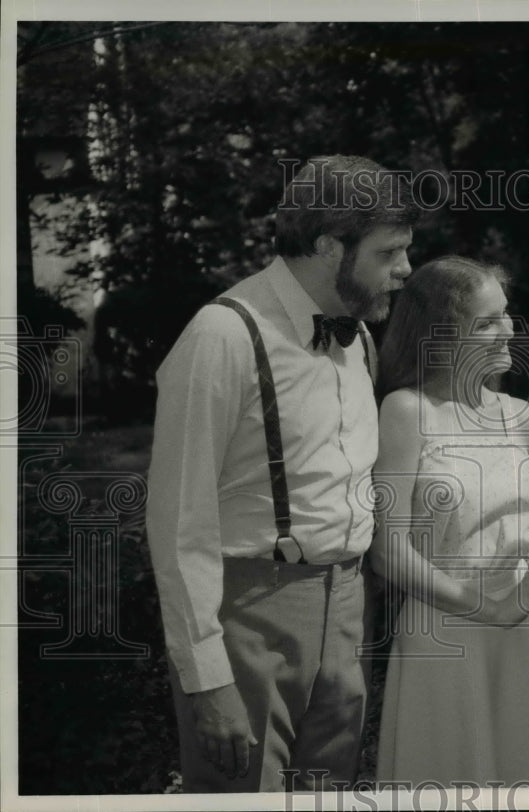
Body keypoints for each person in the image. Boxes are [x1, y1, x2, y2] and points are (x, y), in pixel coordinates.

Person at [146, 155, 419, 792]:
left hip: (348, 610)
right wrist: (206, 674)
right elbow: (176, 523)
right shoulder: (223, 334)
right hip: (249, 615)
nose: (405, 271)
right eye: (391, 253)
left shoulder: (361, 341)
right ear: (329, 246)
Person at [370, 256, 529, 786]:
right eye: (488, 321)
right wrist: (490, 608)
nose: (508, 331)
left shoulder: (521, 415)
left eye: (507, 314)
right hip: (448, 633)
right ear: (442, 334)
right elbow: (389, 549)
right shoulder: (406, 411)